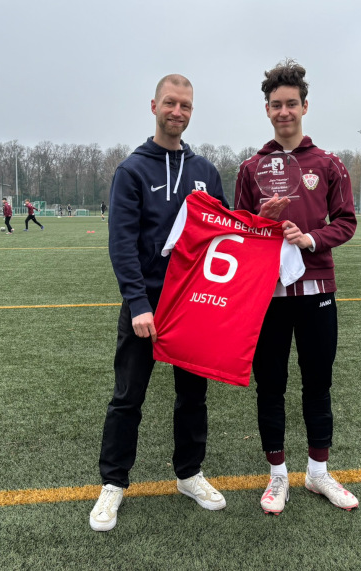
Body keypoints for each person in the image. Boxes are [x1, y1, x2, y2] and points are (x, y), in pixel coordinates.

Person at [90, 73, 229, 532]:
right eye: (171, 103)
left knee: (193, 396)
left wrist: (259, 224)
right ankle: (113, 484)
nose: (178, 112)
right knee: (128, 397)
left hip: (195, 306)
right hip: (146, 306)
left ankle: (189, 474)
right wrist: (137, 302)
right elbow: (122, 243)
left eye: (186, 105)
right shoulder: (132, 170)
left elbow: (226, 235)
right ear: (153, 106)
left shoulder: (206, 172)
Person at [234, 59, 359, 515]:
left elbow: (346, 222)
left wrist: (310, 238)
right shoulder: (251, 167)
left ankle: (318, 474)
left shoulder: (328, 164)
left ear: (305, 106)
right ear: (266, 110)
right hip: (267, 297)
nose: (284, 111)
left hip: (317, 290)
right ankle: (278, 477)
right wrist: (258, 223)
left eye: (291, 104)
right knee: (270, 385)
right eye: (275, 105)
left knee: (318, 383)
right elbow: (238, 232)